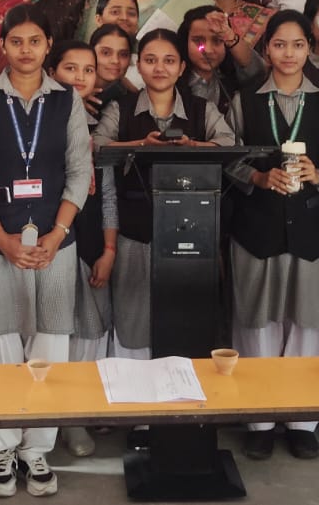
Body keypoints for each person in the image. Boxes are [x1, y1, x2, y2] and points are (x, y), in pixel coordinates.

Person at [0, 3, 91, 497]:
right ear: (3, 46)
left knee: (50, 345)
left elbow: (80, 172)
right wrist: (2, 240)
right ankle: (3, 446)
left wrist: (56, 234)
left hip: (56, 242)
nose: (26, 50)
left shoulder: (67, 100)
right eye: (16, 42)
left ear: (48, 45)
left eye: (35, 41)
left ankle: (37, 449)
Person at [227, 10, 319, 462]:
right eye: (279, 45)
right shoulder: (245, 100)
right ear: (266, 49)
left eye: (298, 45)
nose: (289, 54)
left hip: (312, 229)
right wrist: (257, 177)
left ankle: (301, 421)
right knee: (256, 324)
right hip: (256, 227)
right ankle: (259, 419)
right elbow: (227, 155)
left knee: (308, 324)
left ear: (310, 49)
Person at [96, 30, 234, 356]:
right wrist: (141, 145)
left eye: (169, 60)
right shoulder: (121, 108)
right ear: (138, 66)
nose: (160, 68)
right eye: (151, 60)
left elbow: (229, 144)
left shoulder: (201, 109)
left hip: (191, 232)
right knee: (133, 322)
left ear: (182, 67)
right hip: (134, 232)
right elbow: (98, 145)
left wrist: (193, 146)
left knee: (186, 322)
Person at [47, 38, 113, 458]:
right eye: (70, 68)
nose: (80, 77)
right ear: (52, 71)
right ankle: (42, 419)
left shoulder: (100, 125)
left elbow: (108, 195)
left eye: (88, 70)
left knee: (86, 332)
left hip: (88, 239)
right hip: (46, 238)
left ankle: (74, 418)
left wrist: (109, 249)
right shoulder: (37, 117)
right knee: (49, 334)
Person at [179, 5, 264, 124]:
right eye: (198, 41)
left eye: (218, 40)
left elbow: (257, 70)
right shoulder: (171, 81)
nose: (208, 50)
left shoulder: (232, 78)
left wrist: (229, 36)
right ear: (185, 42)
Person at [88, 23, 137, 118]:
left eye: (123, 54)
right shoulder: (69, 90)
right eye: (106, 53)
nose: (115, 61)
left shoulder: (132, 99)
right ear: (90, 53)